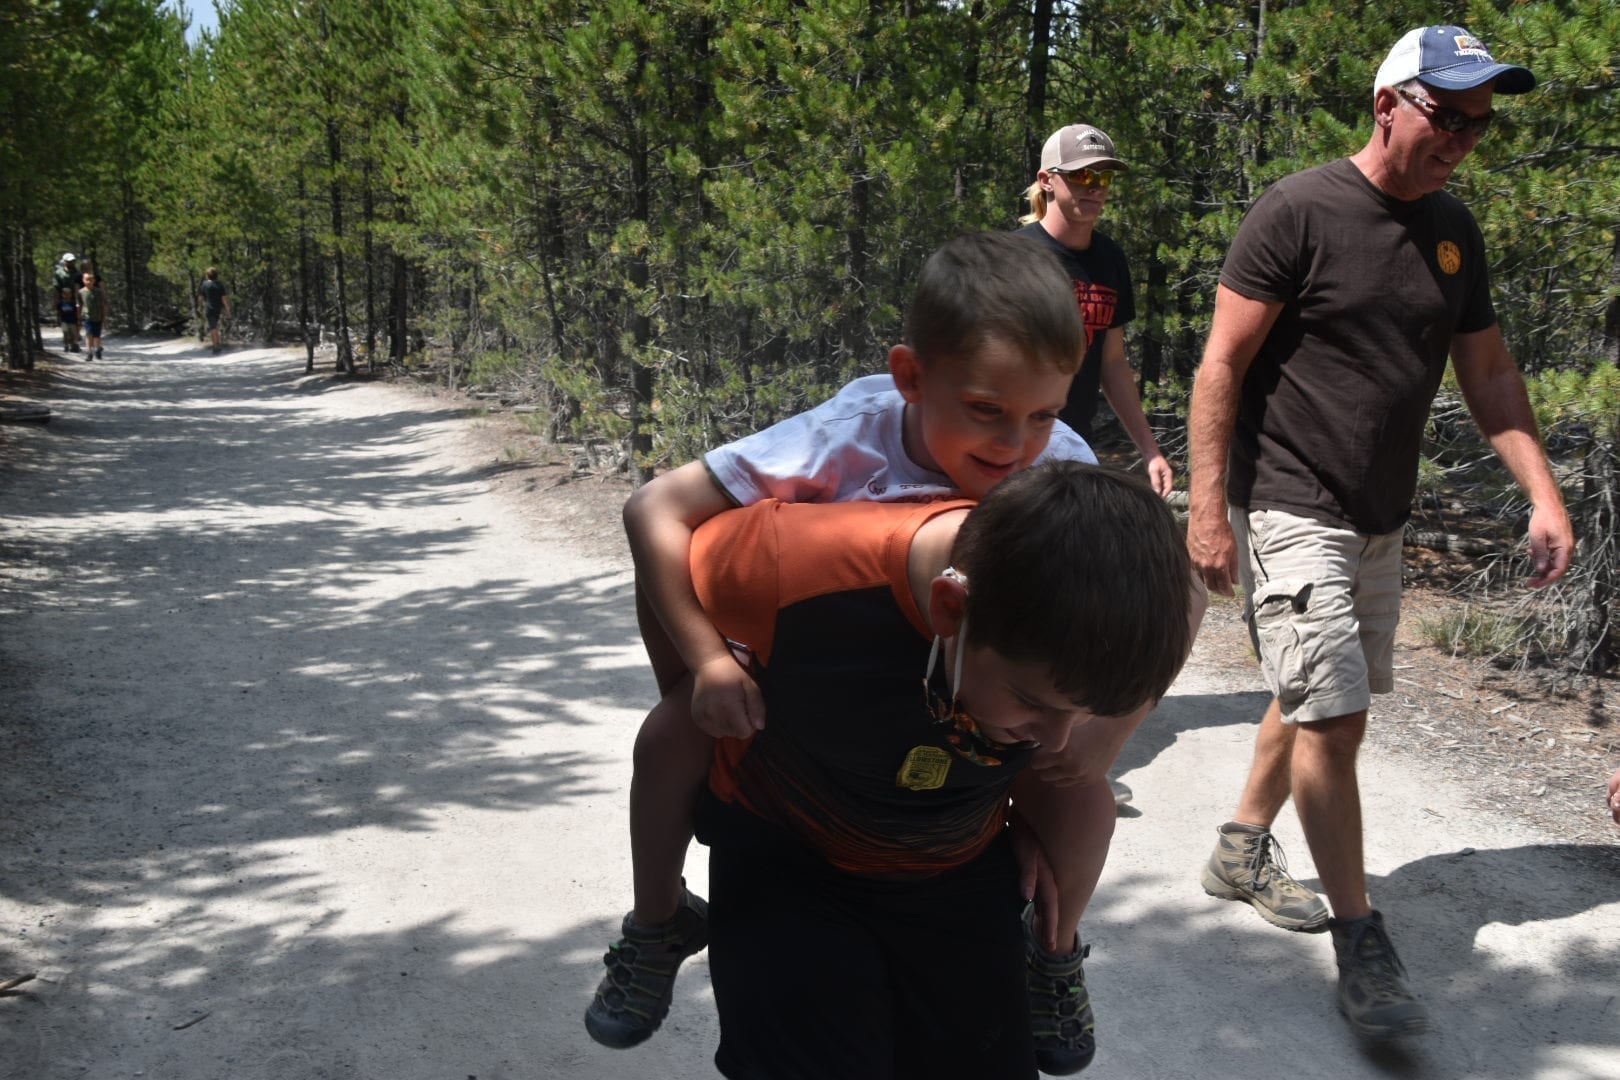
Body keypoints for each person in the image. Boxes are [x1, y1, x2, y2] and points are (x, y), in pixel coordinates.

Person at [588, 231, 1169, 1074]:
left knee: (1082, 785)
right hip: (810, 666)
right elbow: (656, 512)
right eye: (986, 412)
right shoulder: (843, 440)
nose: (1016, 448)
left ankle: (1054, 950)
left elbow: (1154, 596)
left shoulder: (1062, 463)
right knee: (672, 733)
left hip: (974, 685)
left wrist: (1098, 743)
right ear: (911, 378)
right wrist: (707, 666)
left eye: (1043, 414)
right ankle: (657, 918)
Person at [1185, 26, 1575, 1040]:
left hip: (1379, 517)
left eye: (1478, 124)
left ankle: (1240, 844)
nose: (1461, 138)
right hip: (1288, 498)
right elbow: (1222, 364)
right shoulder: (1299, 211)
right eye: (1445, 115)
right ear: (1386, 104)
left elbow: (1487, 373)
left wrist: (1543, 492)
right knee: (1336, 719)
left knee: (1318, 693)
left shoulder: (1453, 231)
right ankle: (1363, 941)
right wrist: (1204, 510)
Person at [692, 461, 1195, 1079]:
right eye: (1034, 702)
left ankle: (1052, 954)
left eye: (1081, 713)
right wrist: (698, 671)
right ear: (949, 607)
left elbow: (1191, 596)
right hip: (788, 860)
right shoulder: (795, 563)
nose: (1056, 740)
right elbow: (673, 539)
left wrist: (1111, 732)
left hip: (957, 865)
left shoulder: (1059, 637)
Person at [1018, 124, 1173, 499]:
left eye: (1103, 175)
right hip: (1015, 450)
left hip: (1075, 450)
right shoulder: (1016, 258)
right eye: (1082, 174)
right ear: (1047, 180)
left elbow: (1113, 362)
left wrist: (1150, 450)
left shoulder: (1110, 259)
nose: (1096, 186)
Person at [52, 254, 83, 352]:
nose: (71, 263)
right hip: (64, 301)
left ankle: (75, 343)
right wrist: (56, 302)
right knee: (65, 323)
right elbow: (56, 289)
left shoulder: (78, 273)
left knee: (76, 322)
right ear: (64, 262)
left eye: (73, 261)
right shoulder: (59, 273)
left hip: (76, 300)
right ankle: (68, 341)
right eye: (69, 261)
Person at [198, 267, 231, 354]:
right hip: (218, 308)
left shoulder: (204, 284)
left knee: (213, 327)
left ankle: (215, 346)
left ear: (207, 276)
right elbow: (224, 299)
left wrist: (200, 307)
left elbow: (201, 298)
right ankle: (218, 344)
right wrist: (228, 310)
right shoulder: (219, 285)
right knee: (215, 326)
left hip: (209, 308)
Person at [78, 271, 108, 361]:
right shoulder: (81, 292)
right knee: (89, 334)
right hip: (87, 316)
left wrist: (104, 316)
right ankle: (89, 352)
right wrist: (78, 316)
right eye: (87, 280)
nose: (89, 282)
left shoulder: (98, 292)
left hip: (97, 316)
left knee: (97, 336)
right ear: (83, 280)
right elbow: (80, 304)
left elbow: (103, 305)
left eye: (91, 280)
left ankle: (98, 349)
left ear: (94, 280)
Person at [55, 286, 81, 354]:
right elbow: (58, 312)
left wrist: (78, 320)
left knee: (73, 334)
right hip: (64, 321)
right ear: (62, 295)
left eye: (69, 293)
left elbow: (77, 311)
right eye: (65, 294)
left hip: (73, 321)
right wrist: (58, 320)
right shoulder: (60, 303)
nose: (67, 295)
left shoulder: (73, 303)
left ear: (71, 294)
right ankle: (66, 345)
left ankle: (74, 346)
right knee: (65, 333)